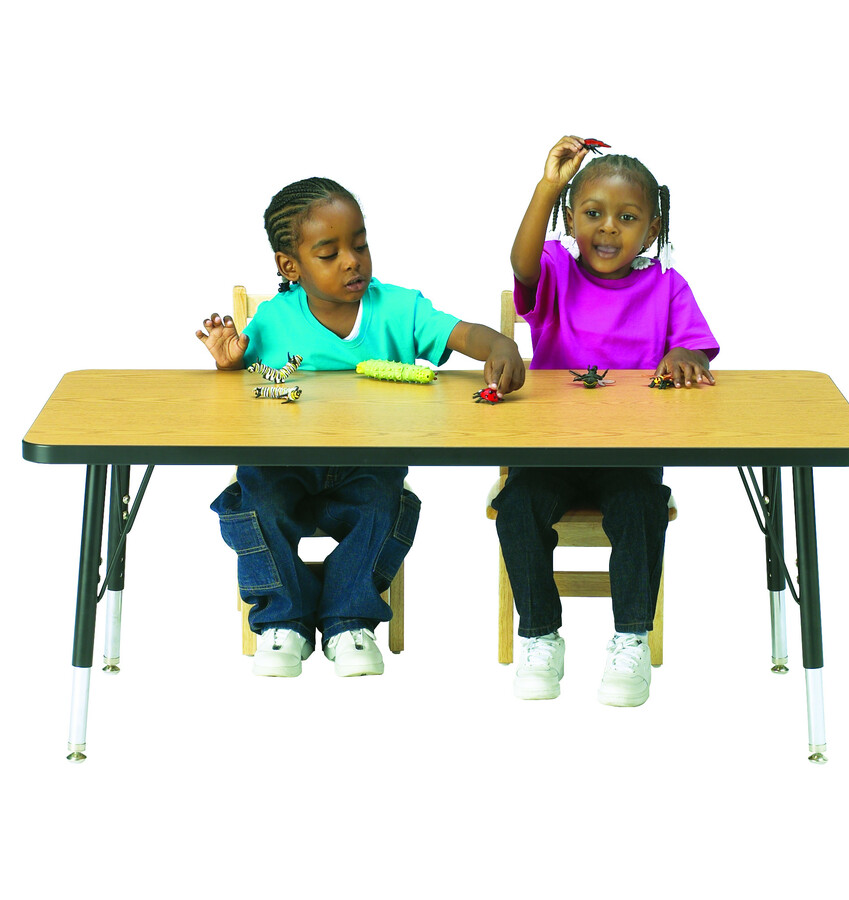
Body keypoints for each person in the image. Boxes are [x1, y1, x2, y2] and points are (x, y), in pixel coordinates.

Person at [198, 177, 525, 678]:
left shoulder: (399, 309)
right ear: (291, 266)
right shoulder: (272, 319)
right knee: (252, 500)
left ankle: (348, 620)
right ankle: (283, 620)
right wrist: (229, 365)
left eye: (360, 245)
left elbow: (462, 334)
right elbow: (245, 393)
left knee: (388, 508)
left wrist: (500, 345)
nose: (352, 261)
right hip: (286, 465)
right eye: (329, 254)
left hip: (368, 467)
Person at [492, 136, 718, 705]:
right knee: (517, 507)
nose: (609, 228)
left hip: (630, 452)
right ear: (569, 220)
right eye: (592, 213)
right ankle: (539, 635)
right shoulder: (554, 271)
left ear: (653, 228)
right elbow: (521, 263)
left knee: (641, 508)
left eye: (628, 217)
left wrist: (684, 354)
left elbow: (694, 347)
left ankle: (631, 638)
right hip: (550, 450)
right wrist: (548, 187)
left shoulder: (667, 287)